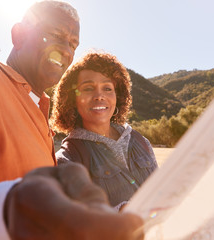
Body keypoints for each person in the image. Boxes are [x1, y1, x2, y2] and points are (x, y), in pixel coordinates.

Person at [0, 1, 144, 239]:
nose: (66, 50)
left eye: (73, 43)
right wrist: (7, 211)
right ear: (19, 35)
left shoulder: (40, 111)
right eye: (55, 35)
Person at [51, 52, 158, 210]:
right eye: (88, 88)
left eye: (107, 88)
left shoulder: (141, 142)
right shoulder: (68, 160)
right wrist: (119, 213)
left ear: (118, 96)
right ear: (72, 99)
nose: (99, 96)